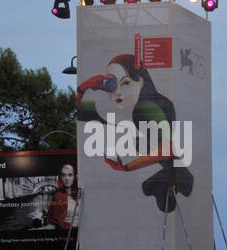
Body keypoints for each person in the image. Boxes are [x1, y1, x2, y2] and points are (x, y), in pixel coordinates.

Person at [77, 53, 192, 212]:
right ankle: (169, 184)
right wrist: (85, 87)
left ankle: (172, 183)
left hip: (174, 170)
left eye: (125, 83)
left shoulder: (145, 107)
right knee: (138, 144)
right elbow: (83, 113)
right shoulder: (141, 105)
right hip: (173, 170)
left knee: (138, 145)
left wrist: (126, 168)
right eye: (111, 84)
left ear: (141, 82)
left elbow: (166, 150)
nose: (117, 92)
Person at [43, 163, 80, 232]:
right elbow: (53, 224)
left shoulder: (80, 194)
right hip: (67, 234)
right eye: (64, 175)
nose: (67, 178)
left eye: (70, 175)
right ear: (60, 177)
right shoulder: (57, 196)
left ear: (74, 177)